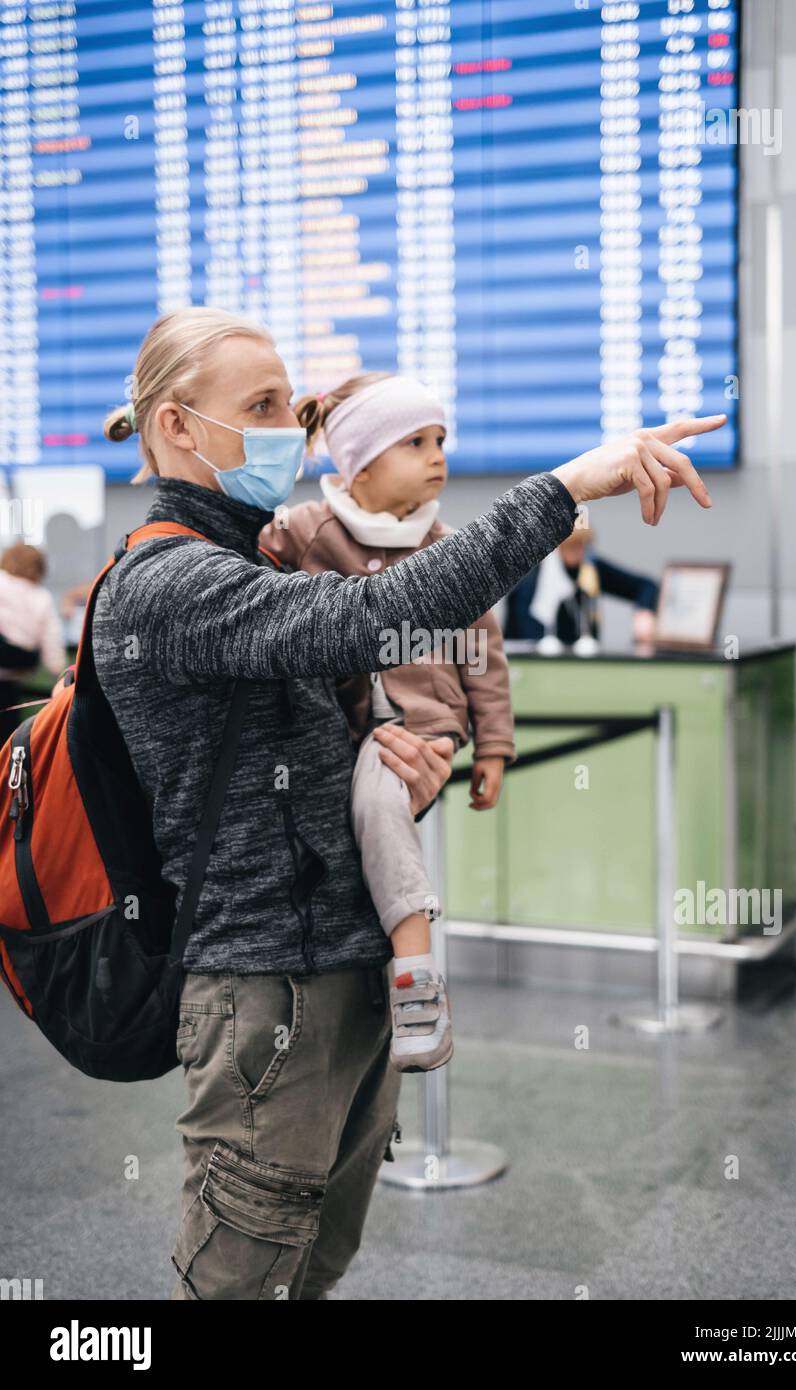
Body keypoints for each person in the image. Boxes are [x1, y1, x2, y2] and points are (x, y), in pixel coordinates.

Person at [97, 305, 721, 1301]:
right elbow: (371, 613)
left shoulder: (251, 556)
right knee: (243, 1277)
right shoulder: (170, 583)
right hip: (267, 992)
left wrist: (397, 770)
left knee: (313, 1263)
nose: (282, 434)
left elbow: (303, 750)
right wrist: (565, 488)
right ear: (176, 426)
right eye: (258, 408)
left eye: (288, 407)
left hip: (343, 969)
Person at [259, 373, 515, 1075]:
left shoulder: (448, 545)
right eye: (416, 442)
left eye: (440, 441)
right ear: (360, 463)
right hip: (336, 729)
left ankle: (415, 979)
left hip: (422, 725)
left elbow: (483, 657)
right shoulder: (307, 531)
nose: (438, 456)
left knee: (376, 801)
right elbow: (249, 576)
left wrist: (492, 747)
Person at [504, 521, 660, 650]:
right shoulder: (530, 581)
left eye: (583, 547)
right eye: (572, 547)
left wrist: (644, 612)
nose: (579, 554)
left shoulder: (590, 568)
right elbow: (519, 634)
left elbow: (647, 586)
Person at [0, 543, 67, 744]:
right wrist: (60, 673)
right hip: (15, 675)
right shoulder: (41, 597)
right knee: (7, 738)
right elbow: (51, 639)